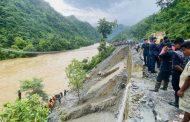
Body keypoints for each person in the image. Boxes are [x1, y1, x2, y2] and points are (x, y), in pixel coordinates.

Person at [169, 38, 185, 107]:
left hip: (178, 74)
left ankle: (177, 103)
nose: (174, 46)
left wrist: (184, 72)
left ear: (178, 44)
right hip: (185, 74)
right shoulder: (186, 51)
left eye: (174, 45)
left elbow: (176, 65)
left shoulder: (176, 53)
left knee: (176, 87)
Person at [177, 41, 190, 122]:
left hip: (188, 90)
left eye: (184, 50)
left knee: (188, 110)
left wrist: (181, 90)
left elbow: (189, 78)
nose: (183, 52)